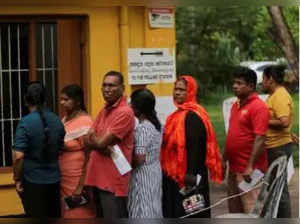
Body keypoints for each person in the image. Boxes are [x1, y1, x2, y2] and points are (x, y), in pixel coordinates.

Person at [161, 75, 223, 218]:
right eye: (175, 89)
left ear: (190, 92)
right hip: (178, 174)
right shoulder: (177, 115)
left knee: (191, 211)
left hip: (190, 175)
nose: (177, 93)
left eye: (182, 90)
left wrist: (191, 175)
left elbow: (195, 147)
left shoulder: (192, 116)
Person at [84, 71, 135, 218]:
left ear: (122, 88)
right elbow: (87, 140)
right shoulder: (104, 110)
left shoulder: (125, 112)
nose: (107, 89)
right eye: (104, 85)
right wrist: (99, 143)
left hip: (113, 181)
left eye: (112, 85)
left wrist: (99, 142)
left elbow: (99, 142)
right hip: (98, 177)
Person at [12, 81, 65, 218]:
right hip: (54, 180)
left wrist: (17, 179)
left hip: (32, 181)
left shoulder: (25, 122)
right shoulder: (57, 120)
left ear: (26, 100)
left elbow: (18, 156)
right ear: (44, 99)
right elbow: (60, 147)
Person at [223, 67, 270, 214]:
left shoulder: (258, 107)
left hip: (249, 172)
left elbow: (260, 138)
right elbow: (232, 135)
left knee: (252, 211)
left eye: (239, 83)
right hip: (234, 168)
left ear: (251, 86)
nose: (234, 86)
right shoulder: (235, 105)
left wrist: (249, 167)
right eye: (234, 83)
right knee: (235, 211)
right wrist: (223, 159)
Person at [59, 84, 96, 218]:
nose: (62, 103)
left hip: (77, 180)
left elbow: (90, 156)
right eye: (61, 99)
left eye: (66, 99)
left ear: (78, 101)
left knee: (79, 214)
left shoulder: (85, 122)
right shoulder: (65, 119)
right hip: (64, 180)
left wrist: (81, 185)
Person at [262, 65, 294, 217]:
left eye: (263, 79)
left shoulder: (280, 95)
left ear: (271, 80)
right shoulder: (274, 95)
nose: (262, 82)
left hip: (278, 147)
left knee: (279, 189)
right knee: (275, 188)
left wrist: (262, 120)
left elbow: (284, 122)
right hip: (274, 147)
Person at [127, 88, 163, 218]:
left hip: (143, 174)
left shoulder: (143, 128)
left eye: (131, 103)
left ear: (138, 108)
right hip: (154, 170)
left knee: (142, 208)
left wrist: (125, 164)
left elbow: (140, 158)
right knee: (153, 206)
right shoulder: (156, 124)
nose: (129, 106)